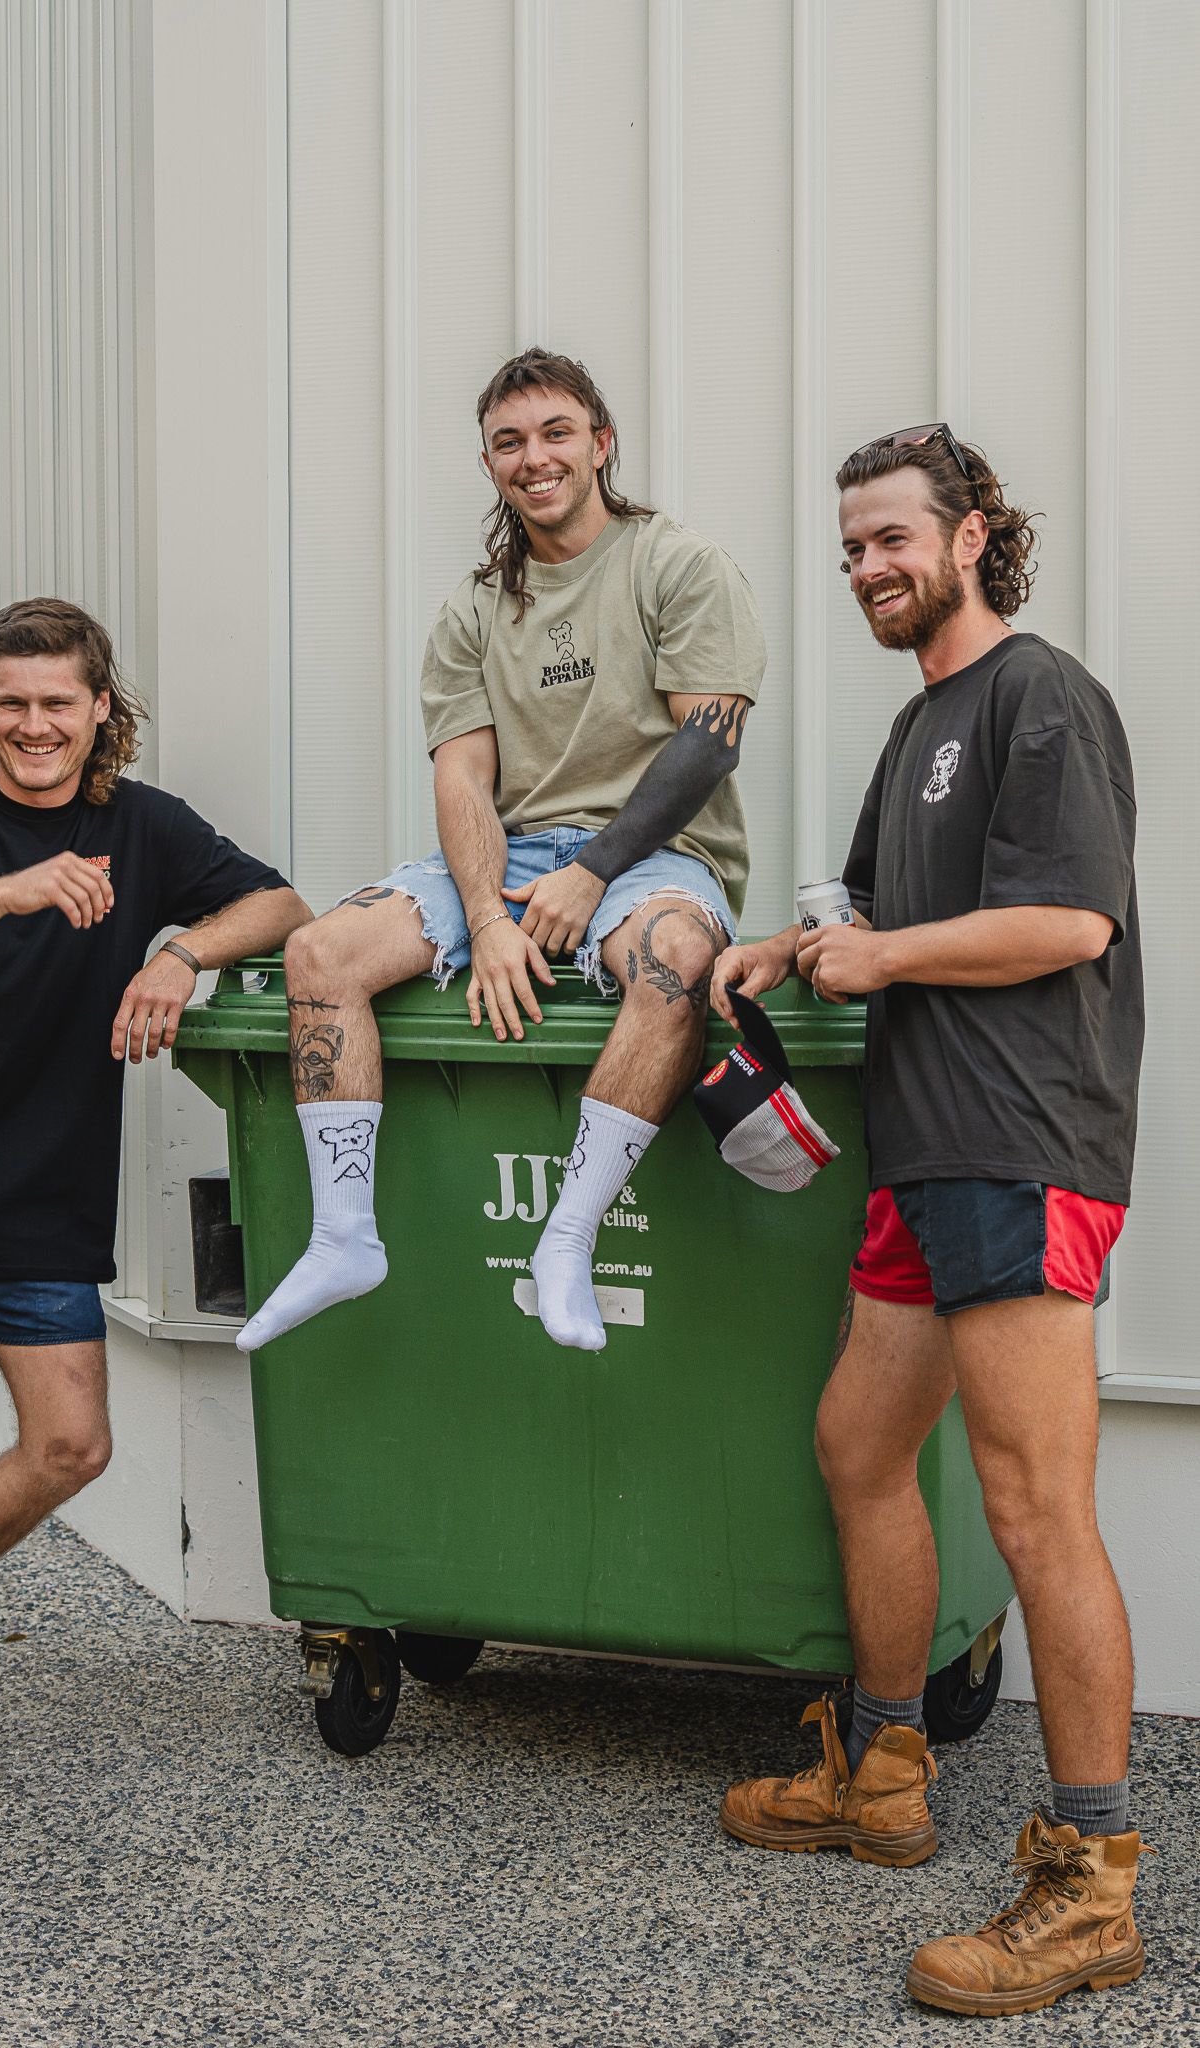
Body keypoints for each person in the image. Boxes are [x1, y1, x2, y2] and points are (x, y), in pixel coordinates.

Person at [711, 427, 1147, 2017]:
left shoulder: (1041, 697)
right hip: (923, 1149)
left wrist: (883, 964)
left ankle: (1090, 1879)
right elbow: (882, 916)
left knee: (1036, 1507)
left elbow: (1069, 918)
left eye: (892, 537)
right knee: (855, 1443)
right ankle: (883, 1769)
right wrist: (787, 946)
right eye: (850, 549)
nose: (867, 567)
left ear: (972, 534)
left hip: (1023, 1145)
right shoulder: (917, 732)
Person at [0, 598, 310, 1818]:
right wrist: (6, 891)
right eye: (12, 703)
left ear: (103, 707)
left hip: (46, 1188)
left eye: (58, 702)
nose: (34, 725)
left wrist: (178, 954)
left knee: (70, 1443)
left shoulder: (139, 824)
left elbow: (282, 905)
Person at [236, 347, 766, 1360]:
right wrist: (486, 916)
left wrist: (594, 868)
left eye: (557, 432)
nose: (536, 456)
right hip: (508, 851)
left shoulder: (676, 565)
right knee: (319, 955)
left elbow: (709, 740)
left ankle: (564, 1239)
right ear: (489, 464)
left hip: (651, 852)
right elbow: (463, 777)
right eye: (509, 441)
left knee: (676, 965)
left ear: (601, 444)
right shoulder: (474, 611)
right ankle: (344, 1238)